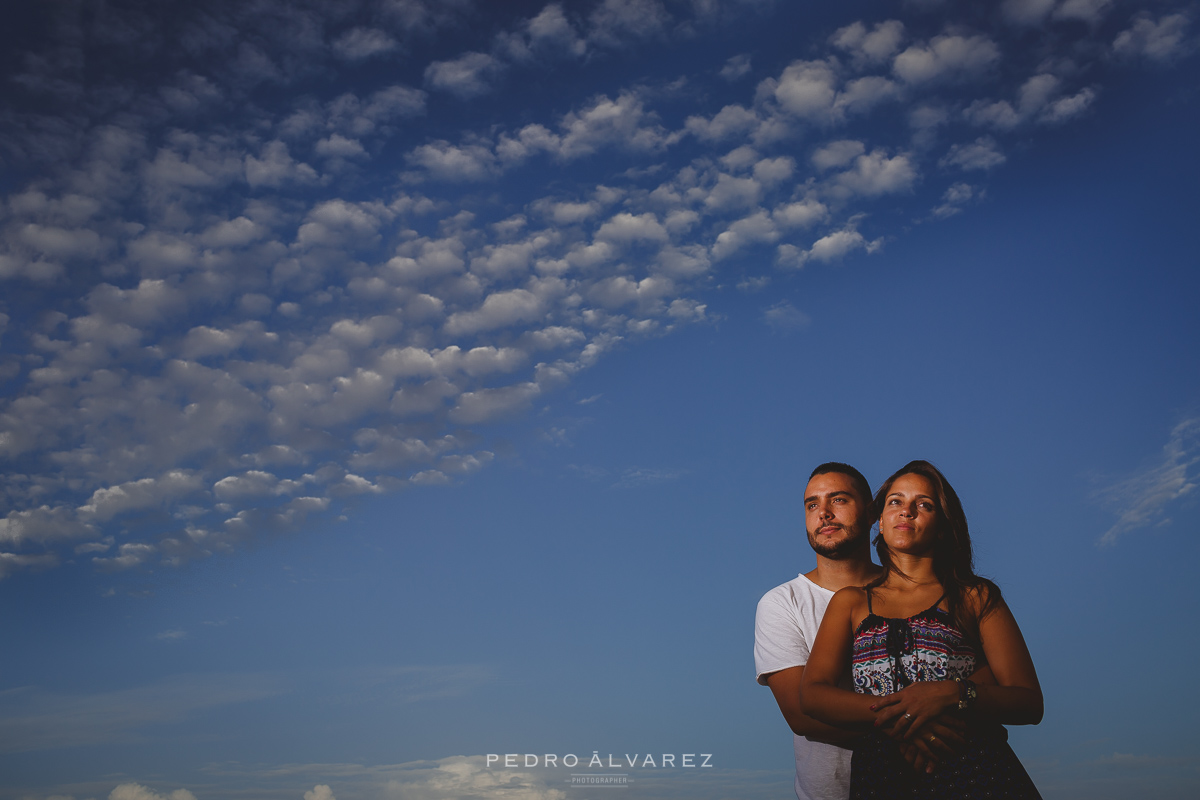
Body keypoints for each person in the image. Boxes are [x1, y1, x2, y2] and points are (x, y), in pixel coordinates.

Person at [800, 460, 1043, 799]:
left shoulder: (975, 596)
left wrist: (951, 694)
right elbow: (812, 694)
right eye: (895, 502)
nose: (907, 512)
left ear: (942, 525)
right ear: (880, 521)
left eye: (923, 505)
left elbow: (1029, 701)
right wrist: (903, 713)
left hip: (977, 775)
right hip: (882, 778)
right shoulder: (850, 603)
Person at [754, 462, 882, 800]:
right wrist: (916, 726)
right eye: (812, 504)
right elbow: (803, 715)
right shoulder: (783, 602)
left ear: (871, 513)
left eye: (838, 500)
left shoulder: (914, 593)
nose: (823, 513)